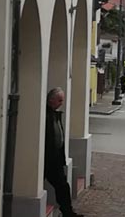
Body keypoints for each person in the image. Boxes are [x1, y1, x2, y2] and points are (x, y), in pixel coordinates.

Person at [45, 88, 84, 217]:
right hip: (49, 159)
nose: (61, 103)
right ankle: (67, 212)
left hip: (55, 158)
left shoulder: (55, 115)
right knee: (62, 186)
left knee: (62, 186)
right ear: (51, 100)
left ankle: (67, 211)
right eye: (59, 100)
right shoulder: (46, 115)